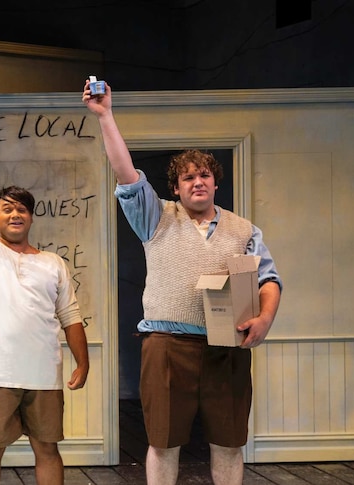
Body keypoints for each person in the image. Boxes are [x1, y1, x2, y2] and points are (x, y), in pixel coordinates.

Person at [83, 80, 283, 485]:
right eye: (188, 177)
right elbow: (125, 174)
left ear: (215, 182)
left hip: (227, 347)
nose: (198, 182)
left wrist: (264, 319)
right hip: (167, 345)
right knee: (163, 441)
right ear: (175, 188)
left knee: (229, 442)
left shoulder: (243, 229)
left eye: (205, 175)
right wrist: (105, 115)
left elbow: (269, 279)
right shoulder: (156, 218)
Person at [0, 106, 90, 485]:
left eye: (23, 210)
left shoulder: (53, 263)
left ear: (31, 218)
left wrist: (83, 362)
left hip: (44, 373)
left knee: (47, 449)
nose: (15, 215)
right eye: (7, 209)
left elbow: (71, 316)